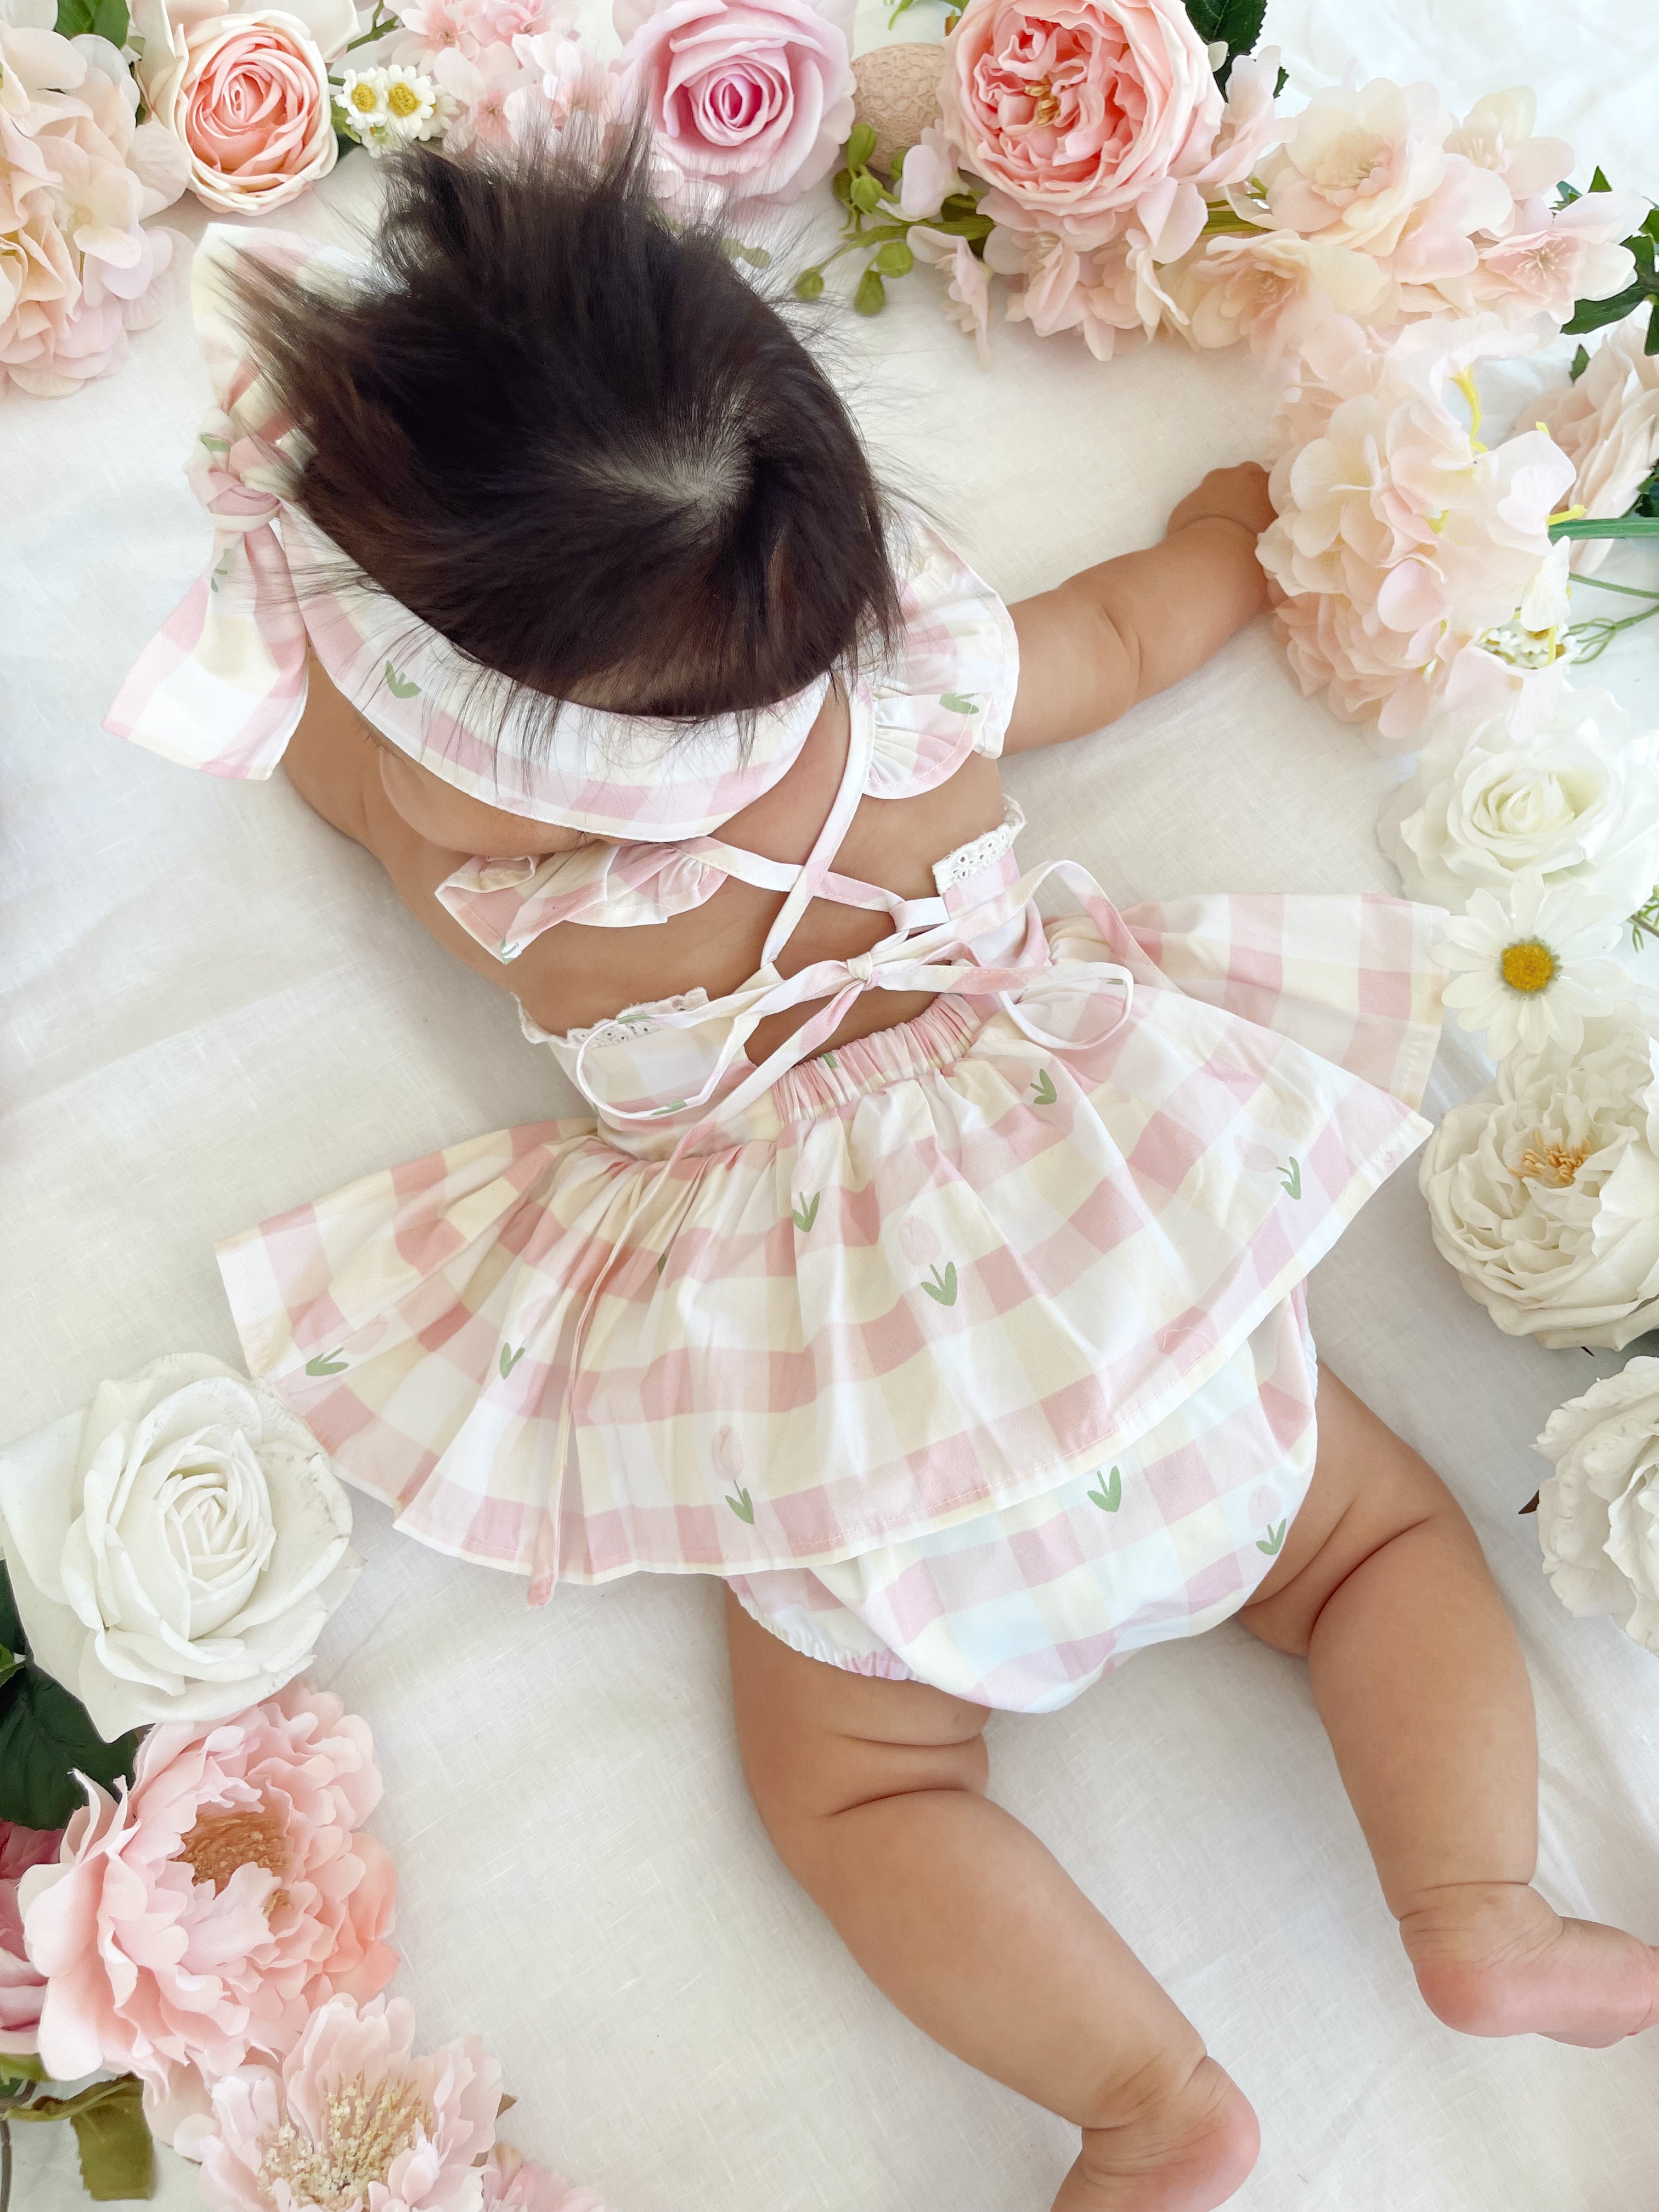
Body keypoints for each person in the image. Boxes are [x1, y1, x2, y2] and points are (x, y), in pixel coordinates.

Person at [106, 129, 1659, 2212]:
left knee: (863, 1799)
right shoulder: (926, 688)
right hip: (1115, 1290)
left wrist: (312, 607)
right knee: (1376, 1551)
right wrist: (1225, 537)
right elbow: (1136, 630)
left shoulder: (487, 872)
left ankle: (1149, 2101)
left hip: (838, 1439)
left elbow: (324, 753)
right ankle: (1480, 1908)